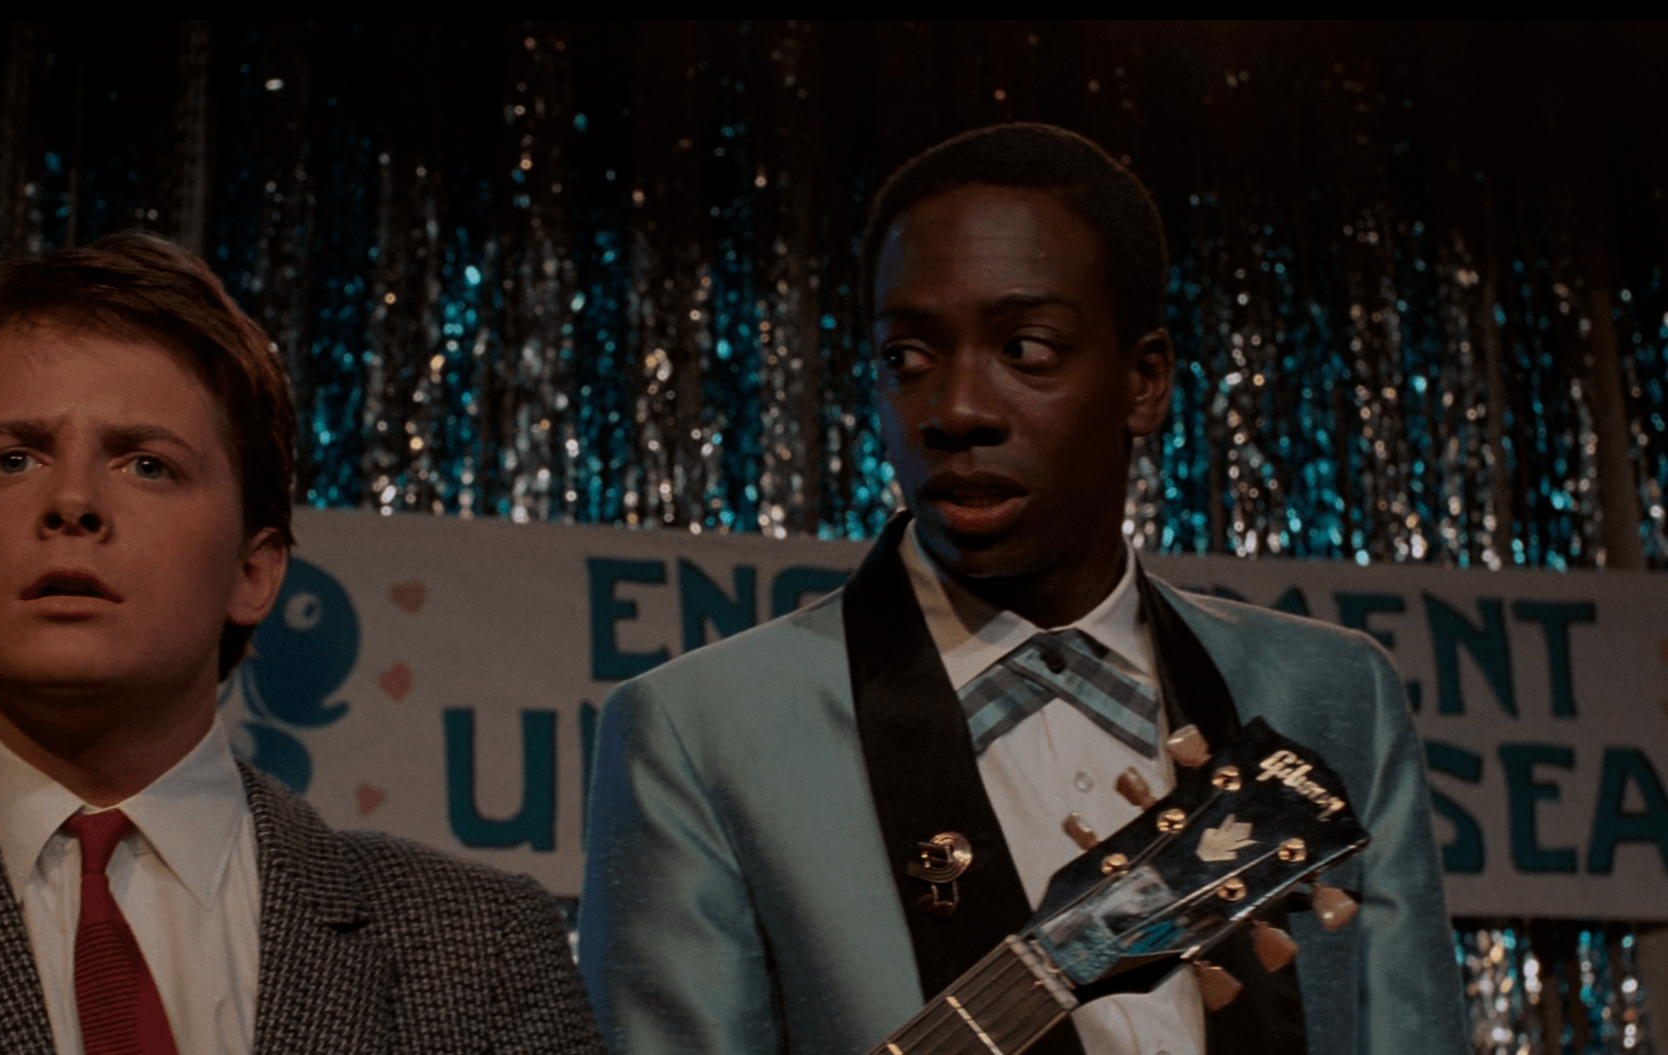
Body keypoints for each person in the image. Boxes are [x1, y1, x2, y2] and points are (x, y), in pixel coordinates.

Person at [578, 124, 1465, 1055]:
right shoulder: (701, 730)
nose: (956, 409)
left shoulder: (1332, 690)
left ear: (1145, 381)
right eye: (906, 356)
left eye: (1026, 347)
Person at [0, 232, 603, 1055]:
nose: (72, 502)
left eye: (146, 463)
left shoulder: (483, 952)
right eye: (15, 459)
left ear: (253, 571)